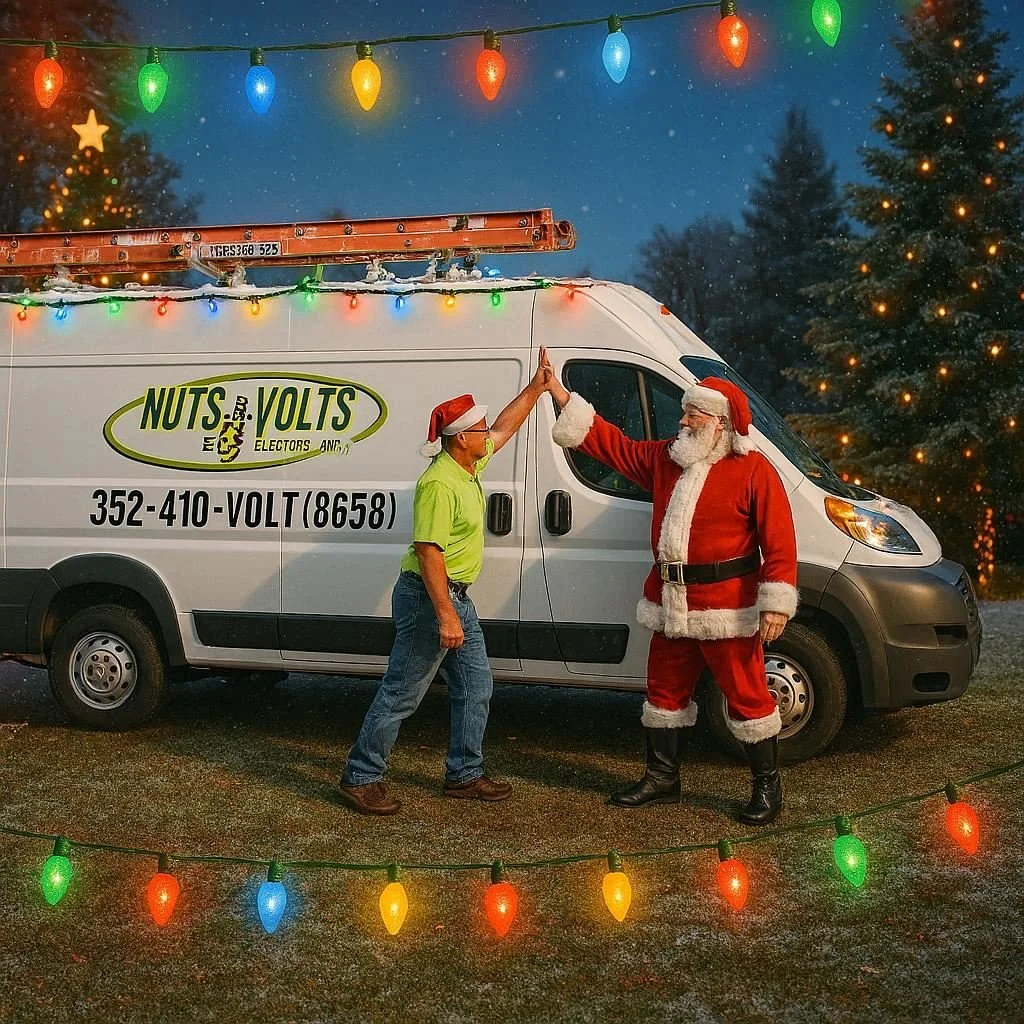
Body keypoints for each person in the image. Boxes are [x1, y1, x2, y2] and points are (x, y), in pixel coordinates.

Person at [545, 363, 798, 825]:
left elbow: (779, 539)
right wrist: (562, 396)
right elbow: (614, 446)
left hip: (728, 606)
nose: (682, 422)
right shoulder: (666, 458)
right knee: (664, 693)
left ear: (720, 423)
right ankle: (663, 778)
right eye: (685, 414)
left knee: (748, 697)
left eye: (694, 416)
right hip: (671, 601)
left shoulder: (753, 470)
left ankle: (767, 787)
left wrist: (775, 603)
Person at [338, 350, 551, 815]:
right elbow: (429, 552)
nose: (487, 432)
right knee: (402, 691)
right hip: (429, 598)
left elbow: (506, 428)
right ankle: (360, 775)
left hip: (455, 598)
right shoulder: (439, 482)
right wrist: (446, 614)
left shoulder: (467, 466)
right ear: (459, 440)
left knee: (477, 685)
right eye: (479, 428)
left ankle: (464, 774)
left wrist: (536, 388)